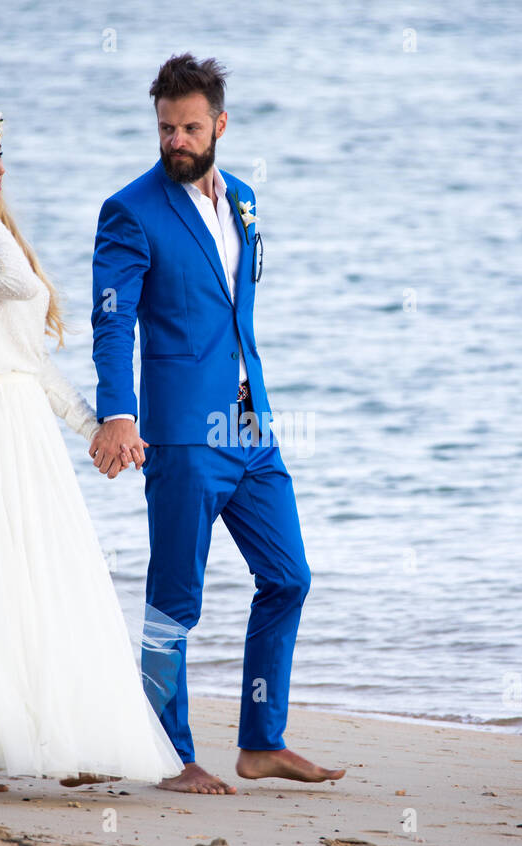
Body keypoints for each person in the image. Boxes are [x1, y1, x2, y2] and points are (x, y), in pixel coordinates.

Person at [0, 102, 183, 791]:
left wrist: (97, 431)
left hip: (21, 425)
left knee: (37, 577)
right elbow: (20, 286)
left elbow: (30, 360)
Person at [88, 55, 345, 794]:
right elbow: (114, 323)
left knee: (289, 576)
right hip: (180, 435)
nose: (176, 140)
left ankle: (261, 741)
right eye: (166, 127)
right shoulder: (129, 211)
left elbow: (236, 309)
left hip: (249, 430)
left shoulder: (245, 200)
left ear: (220, 126)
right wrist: (118, 413)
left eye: (191, 128)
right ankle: (169, 756)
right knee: (175, 602)